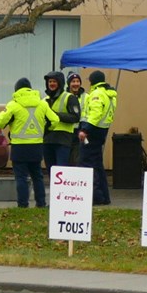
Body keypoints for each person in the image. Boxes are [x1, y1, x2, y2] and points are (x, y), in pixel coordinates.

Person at [0, 77, 58, 208]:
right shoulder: (42, 103)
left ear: (17, 90)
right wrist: (45, 131)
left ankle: (23, 205)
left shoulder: (13, 104)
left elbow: (0, 122)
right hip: (37, 146)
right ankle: (41, 203)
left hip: (19, 147)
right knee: (37, 176)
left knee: (21, 177)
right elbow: (55, 120)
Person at [78, 70, 117, 206]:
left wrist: (85, 130)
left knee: (87, 163)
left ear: (93, 80)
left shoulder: (97, 94)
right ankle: (104, 196)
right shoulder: (109, 94)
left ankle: (96, 196)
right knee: (98, 165)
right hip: (101, 131)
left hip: (92, 132)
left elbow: (95, 113)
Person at [42, 71, 81, 173]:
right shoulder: (44, 100)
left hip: (63, 139)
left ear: (60, 83)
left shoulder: (69, 97)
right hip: (47, 139)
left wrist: (54, 115)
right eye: (50, 81)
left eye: (54, 81)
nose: (51, 84)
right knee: (50, 171)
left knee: (62, 171)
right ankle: (53, 189)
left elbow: (75, 117)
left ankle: (62, 190)